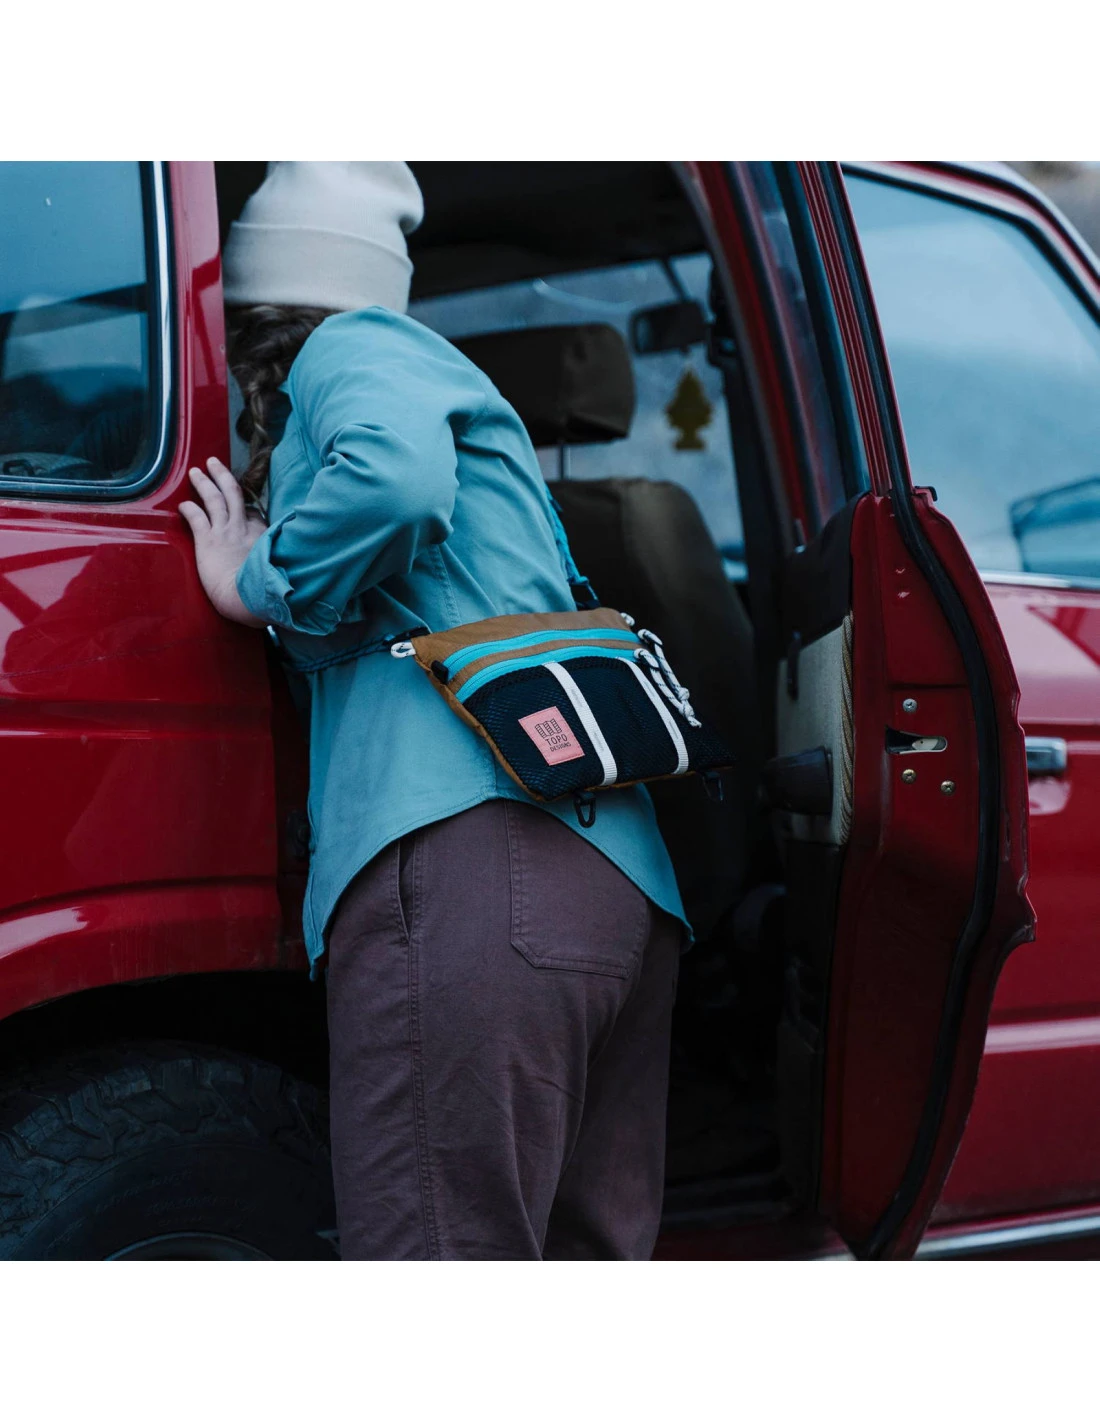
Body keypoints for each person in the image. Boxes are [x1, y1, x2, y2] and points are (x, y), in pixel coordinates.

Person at [180, 162, 688, 1260]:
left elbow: (395, 482)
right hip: (612, 888)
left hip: (468, 871)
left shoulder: (353, 345)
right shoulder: (469, 417)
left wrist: (252, 581)